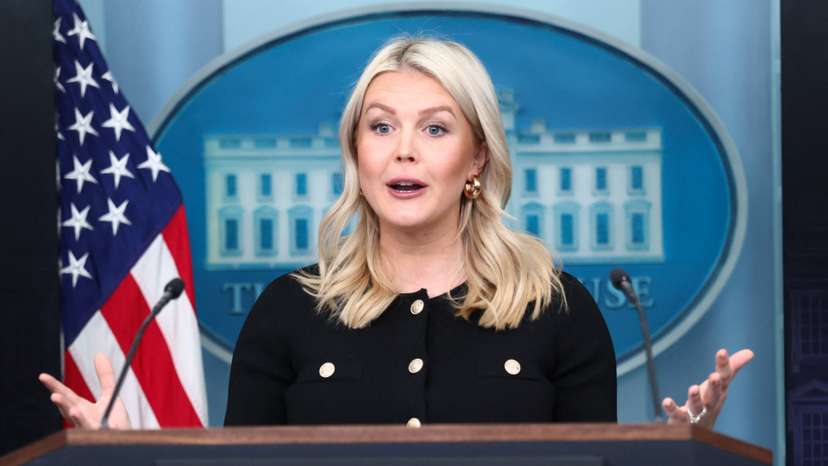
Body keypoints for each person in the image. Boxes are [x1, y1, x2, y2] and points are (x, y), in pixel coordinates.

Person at [39, 36, 752, 429]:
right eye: (381, 127)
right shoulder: (288, 312)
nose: (403, 151)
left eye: (435, 129)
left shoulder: (558, 310)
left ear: (477, 157)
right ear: (357, 153)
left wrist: (674, 451)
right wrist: (130, 456)